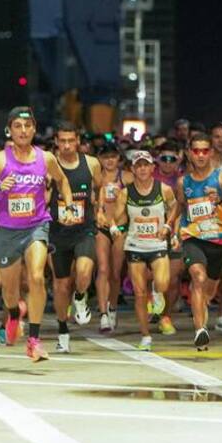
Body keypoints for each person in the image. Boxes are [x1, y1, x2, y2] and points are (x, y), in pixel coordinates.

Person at [0, 107, 74, 362]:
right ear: (10, 129)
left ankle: (34, 340)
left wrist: (69, 205)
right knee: (9, 289)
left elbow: (62, 180)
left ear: (34, 129)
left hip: (36, 225)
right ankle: (14, 314)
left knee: (37, 277)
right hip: (6, 231)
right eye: (17, 126)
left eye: (27, 126)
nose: (23, 130)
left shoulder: (46, 158)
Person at [177, 133, 222, 351]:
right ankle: (200, 330)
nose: (200, 155)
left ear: (211, 152)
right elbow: (180, 207)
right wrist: (172, 230)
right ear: (189, 154)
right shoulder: (183, 181)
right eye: (196, 151)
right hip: (193, 238)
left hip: (218, 242)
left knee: (209, 291)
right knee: (198, 278)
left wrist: (220, 201)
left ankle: (201, 312)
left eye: (204, 150)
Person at [116, 151, 179, 351]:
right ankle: (145, 335)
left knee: (162, 282)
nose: (142, 169)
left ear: (153, 168)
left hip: (158, 244)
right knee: (139, 293)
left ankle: (157, 293)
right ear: (133, 169)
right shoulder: (126, 192)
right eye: (138, 165)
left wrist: (170, 229)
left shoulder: (164, 189)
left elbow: (175, 209)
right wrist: (111, 223)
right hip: (134, 245)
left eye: (146, 165)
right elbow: (119, 218)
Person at [49, 123, 102, 352]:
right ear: (57, 142)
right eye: (63, 141)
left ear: (78, 140)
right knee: (61, 285)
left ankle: (80, 296)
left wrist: (98, 210)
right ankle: (62, 331)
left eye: (71, 141)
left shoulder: (91, 163)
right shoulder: (49, 165)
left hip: (84, 229)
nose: (68, 146)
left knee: (83, 272)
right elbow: (42, 194)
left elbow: (98, 189)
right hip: (58, 232)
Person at [94, 143, 129, 333]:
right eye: (105, 157)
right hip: (102, 228)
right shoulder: (96, 177)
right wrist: (96, 210)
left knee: (116, 273)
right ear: (100, 159)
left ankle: (113, 307)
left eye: (113, 157)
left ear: (119, 159)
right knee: (103, 269)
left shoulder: (127, 177)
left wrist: (123, 194)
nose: (109, 160)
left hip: (121, 229)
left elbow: (139, 197)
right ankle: (103, 315)